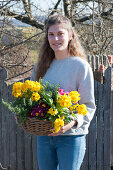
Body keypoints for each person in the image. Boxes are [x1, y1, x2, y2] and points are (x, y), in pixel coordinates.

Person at [30, 14, 96, 170]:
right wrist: (24, 113)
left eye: (60, 34)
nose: (56, 39)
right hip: (44, 137)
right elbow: (32, 99)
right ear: (47, 38)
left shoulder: (80, 66)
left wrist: (71, 123)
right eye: (51, 34)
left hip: (71, 138)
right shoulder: (41, 66)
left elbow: (88, 105)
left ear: (70, 35)